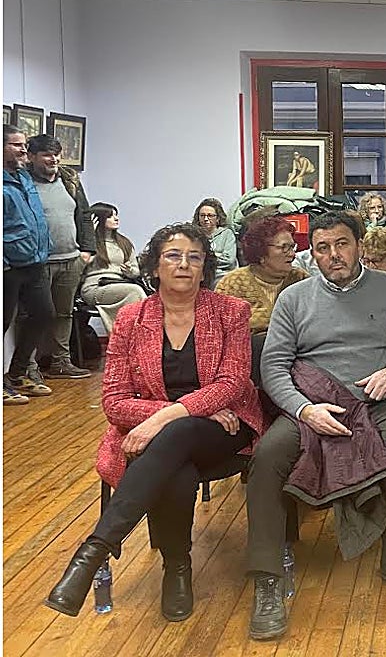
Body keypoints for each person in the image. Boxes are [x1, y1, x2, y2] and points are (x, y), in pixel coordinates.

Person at [44, 222, 264, 620]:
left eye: (194, 257)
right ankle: (177, 567)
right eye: (173, 256)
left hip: (226, 427)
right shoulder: (131, 318)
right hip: (174, 433)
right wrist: (176, 414)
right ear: (155, 265)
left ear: (204, 267)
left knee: (175, 435)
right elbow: (114, 402)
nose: (184, 264)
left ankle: (94, 552)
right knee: (176, 461)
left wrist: (164, 417)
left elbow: (232, 383)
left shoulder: (230, 311)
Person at [246, 212, 386, 640]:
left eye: (342, 244)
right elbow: (274, 365)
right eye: (323, 248)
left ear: (360, 245)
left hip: (377, 401)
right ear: (313, 254)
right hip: (312, 404)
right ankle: (268, 579)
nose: (334, 255)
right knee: (267, 457)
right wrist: (303, 409)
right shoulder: (294, 298)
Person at [16, 133, 96, 379]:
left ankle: (61, 362)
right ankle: (27, 367)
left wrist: (87, 251)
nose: (54, 159)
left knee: (64, 314)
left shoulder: (70, 180)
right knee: (31, 316)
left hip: (71, 260)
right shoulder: (22, 181)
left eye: (57, 154)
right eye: (47, 155)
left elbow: (84, 215)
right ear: (31, 156)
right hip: (38, 263)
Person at [3, 126, 53, 405]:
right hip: (9, 266)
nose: (24, 149)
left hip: (35, 262)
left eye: (24, 144)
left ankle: (17, 374)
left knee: (44, 314)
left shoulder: (23, 177)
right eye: (16, 145)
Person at [215, 216, 308, 334]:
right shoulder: (232, 284)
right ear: (260, 252)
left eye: (292, 247)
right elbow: (217, 332)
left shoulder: (301, 279)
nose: (292, 254)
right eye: (284, 247)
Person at [81, 202, 146, 333]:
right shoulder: (88, 242)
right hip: (95, 286)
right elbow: (78, 267)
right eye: (110, 216)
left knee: (135, 292)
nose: (116, 219)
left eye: (116, 215)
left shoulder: (124, 242)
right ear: (98, 219)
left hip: (120, 283)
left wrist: (129, 271)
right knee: (134, 291)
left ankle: (132, 335)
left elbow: (136, 271)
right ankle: (138, 334)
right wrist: (89, 236)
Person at [193, 198, 237, 283]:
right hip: (201, 275)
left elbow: (229, 261)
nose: (206, 219)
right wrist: (218, 255)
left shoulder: (227, 234)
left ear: (218, 218)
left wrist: (208, 258)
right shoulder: (195, 235)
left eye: (210, 215)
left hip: (223, 275)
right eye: (202, 215)